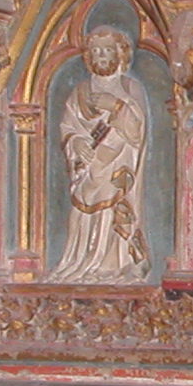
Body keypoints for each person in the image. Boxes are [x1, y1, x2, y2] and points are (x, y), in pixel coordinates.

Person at [50, 25, 151, 284]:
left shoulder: (130, 87)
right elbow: (68, 126)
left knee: (116, 210)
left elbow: (137, 130)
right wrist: (75, 142)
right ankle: (84, 262)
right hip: (88, 167)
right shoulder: (80, 92)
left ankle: (116, 264)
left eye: (107, 50)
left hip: (119, 164)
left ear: (120, 53)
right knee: (83, 213)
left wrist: (116, 106)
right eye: (95, 51)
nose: (101, 56)